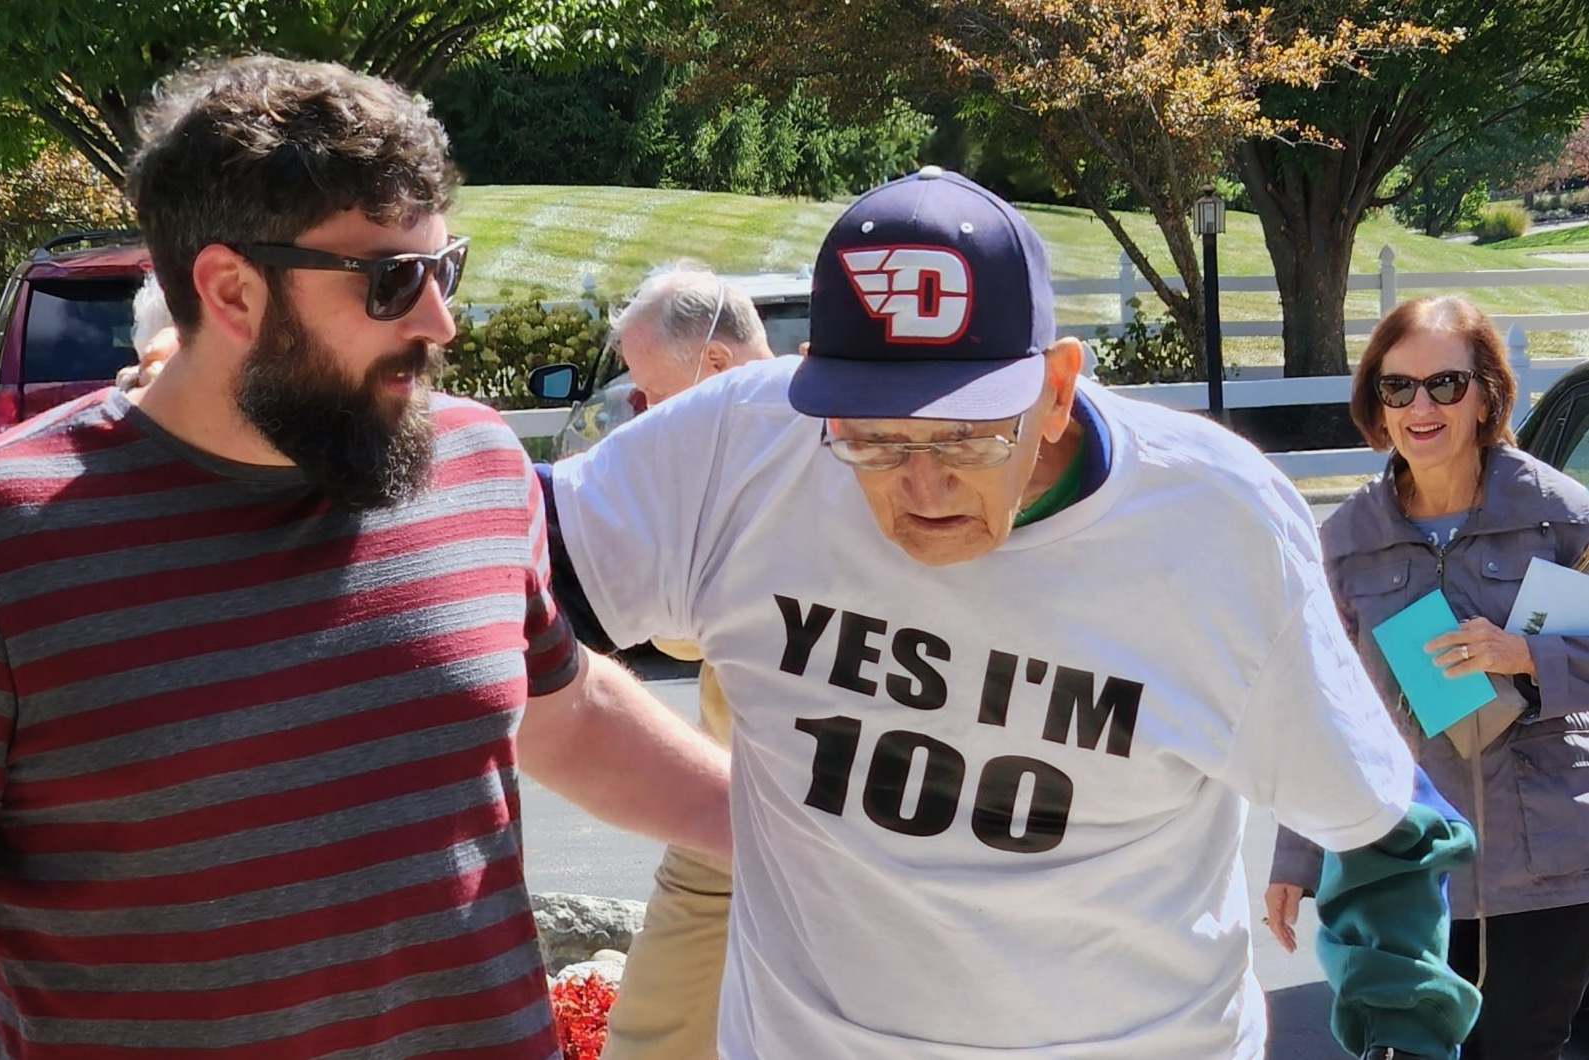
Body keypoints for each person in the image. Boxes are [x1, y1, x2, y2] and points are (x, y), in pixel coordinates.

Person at [0, 55, 729, 1060]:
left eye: (446, 268)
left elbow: (565, 710)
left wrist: (791, 834)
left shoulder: (475, 465)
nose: (441, 321)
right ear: (232, 290)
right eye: (393, 282)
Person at [545, 167, 1479, 1060]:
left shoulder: (1212, 520)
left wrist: (1403, 1027)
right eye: (872, 439)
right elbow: (491, 573)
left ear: (1057, 384)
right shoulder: (744, 439)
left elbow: (1380, 816)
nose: (921, 486)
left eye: (966, 435)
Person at [1265, 296, 1589, 1060]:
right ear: (1375, 405)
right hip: (1405, 872)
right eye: (1397, 386)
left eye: (1444, 384)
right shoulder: (1344, 546)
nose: (1421, 405)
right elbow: (1316, 707)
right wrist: (1293, 859)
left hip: (1551, 869)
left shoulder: (1565, 519)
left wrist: (1526, 658)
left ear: (1486, 397)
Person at [591, 265, 773, 1060]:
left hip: (842, 823)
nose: (641, 413)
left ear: (718, 370)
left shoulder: (830, 450)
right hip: (724, 817)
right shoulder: (705, 453)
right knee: (651, 1040)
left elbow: (684, 628)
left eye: (650, 391)